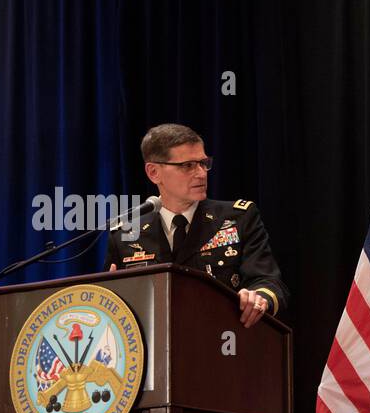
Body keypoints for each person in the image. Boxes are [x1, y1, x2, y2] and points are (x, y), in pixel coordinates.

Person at [105, 123, 288, 328]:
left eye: (203, 163)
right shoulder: (127, 233)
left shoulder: (239, 218)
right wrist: (112, 296)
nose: (201, 173)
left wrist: (260, 298)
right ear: (154, 172)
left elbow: (269, 282)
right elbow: (115, 310)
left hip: (223, 342)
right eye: (188, 166)